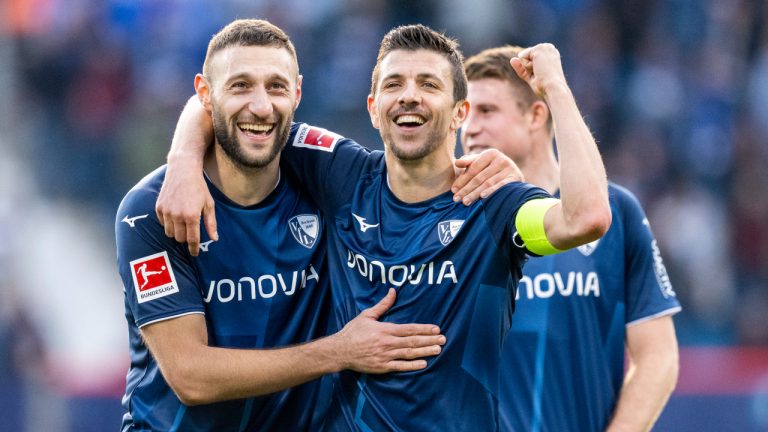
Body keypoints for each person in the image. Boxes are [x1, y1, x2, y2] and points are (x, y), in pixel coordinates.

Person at [157, 25, 612, 431]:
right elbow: (240, 110)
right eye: (394, 84)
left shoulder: (495, 204)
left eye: (428, 84)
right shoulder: (341, 172)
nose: (409, 96)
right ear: (374, 108)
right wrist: (182, 161)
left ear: (459, 113)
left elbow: (585, 217)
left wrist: (555, 88)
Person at [115, 20, 451, 431]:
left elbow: (408, 175)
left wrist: (484, 168)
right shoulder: (154, 209)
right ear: (204, 93)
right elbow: (190, 376)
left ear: (297, 93)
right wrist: (340, 351)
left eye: (275, 86)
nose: (260, 105)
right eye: (240, 85)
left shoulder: (322, 170)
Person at [462, 45, 681, 432]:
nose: (470, 127)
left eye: (487, 111)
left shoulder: (616, 211)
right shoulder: (453, 222)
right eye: (464, 113)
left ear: (536, 115)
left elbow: (658, 356)